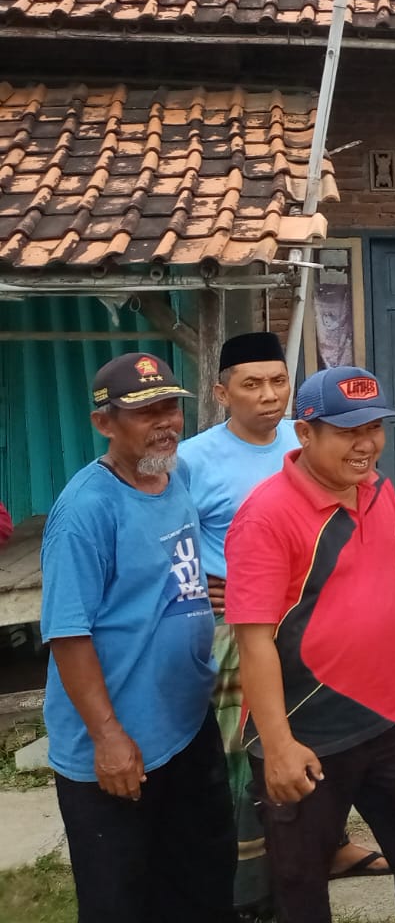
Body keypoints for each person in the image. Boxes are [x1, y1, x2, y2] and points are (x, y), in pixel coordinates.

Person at [227, 366, 395, 923]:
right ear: (305, 433)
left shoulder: (379, 490)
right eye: (347, 431)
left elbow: (377, 592)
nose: (366, 444)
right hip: (307, 730)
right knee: (300, 887)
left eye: (374, 428)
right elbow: (253, 642)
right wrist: (278, 747)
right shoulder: (265, 516)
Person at [179, 332, 387, 910]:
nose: (269, 395)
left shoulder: (310, 442)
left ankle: (331, 845)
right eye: (252, 384)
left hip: (318, 628)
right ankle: (248, 883)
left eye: (278, 381)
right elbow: (168, 542)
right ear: (222, 393)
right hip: (241, 629)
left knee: (326, 738)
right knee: (249, 752)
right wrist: (199, 588)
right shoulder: (193, 460)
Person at [41, 353, 234, 922]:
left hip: (186, 722)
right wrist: (108, 737)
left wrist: (202, 587)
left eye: (170, 407)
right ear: (104, 423)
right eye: (146, 412)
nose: (166, 422)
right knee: (122, 900)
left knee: (202, 881)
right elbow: (68, 634)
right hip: (120, 744)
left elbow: (166, 568)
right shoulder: (85, 511)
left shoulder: (175, 476)